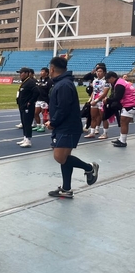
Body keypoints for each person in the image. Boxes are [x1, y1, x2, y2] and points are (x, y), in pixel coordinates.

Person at [45, 57, 98, 198]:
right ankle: (66, 189)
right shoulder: (63, 83)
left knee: (59, 157)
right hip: (64, 126)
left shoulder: (63, 85)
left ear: (52, 69)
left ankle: (89, 168)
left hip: (67, 127)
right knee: (64, 157)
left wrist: (53, 122)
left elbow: (63, 109)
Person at [105, 71, 135, 147]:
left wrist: (108, 100)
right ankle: (122, 139)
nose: (108, 81)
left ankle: (123, 141)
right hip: (130, 102)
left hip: (130, 103)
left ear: (112, 78)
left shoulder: (119, 84)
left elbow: (118, 97)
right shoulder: (120, 82)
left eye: (108, 79)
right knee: (123, 122)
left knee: (124, 122)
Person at [85, 65, 110, 139]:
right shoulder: (95, 80)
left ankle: (105, 133)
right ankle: (92, 132)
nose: (98, 73)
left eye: (100, 71)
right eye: (97, 71)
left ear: (104, 73)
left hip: (101, 101)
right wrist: (91, 99)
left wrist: (96, 100)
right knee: (93, 117)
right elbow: (94, 91)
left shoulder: (106, 81)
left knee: (103, 117)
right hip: (94, 101)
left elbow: (104, 93)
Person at [16, 67, 39, 147]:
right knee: (24, 123)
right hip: (22, 106)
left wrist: (30, 102)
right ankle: (25, 138)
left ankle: (28, 140)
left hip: (27, 107)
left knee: (27, 123)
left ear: (26, 73)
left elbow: (36, 92)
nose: (20, 75)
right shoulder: (24, 82)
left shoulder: (30, 82)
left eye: (21, 73)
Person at [33, 67, 53, 132]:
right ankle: (38, 125)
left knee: (44, 114)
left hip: (45, 100)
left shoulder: (49, 81)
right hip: (38, 99)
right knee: (35, 113)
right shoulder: (39, 80)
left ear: (47, 73)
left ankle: (43, 126)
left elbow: (50, 91)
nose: (41, 73)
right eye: (41, 71)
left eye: (42, 71)